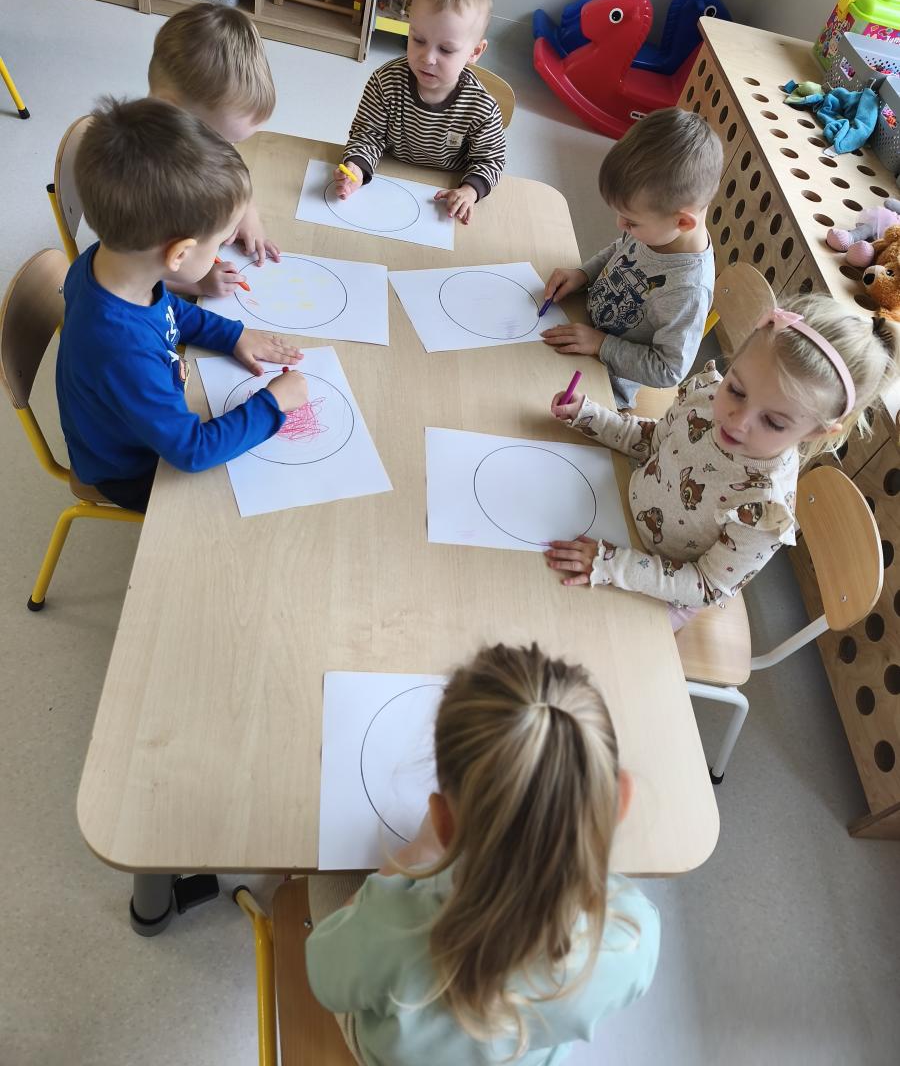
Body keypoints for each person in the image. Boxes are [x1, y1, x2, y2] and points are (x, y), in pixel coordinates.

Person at [305, 643, 660, 1065]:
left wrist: (415, 856)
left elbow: (322, 976)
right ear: (619, 801)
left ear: (442, 822)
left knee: (321, 878)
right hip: (527, 1055)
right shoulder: (631, 933)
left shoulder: (392, 922)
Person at [546, 295, 899, 627]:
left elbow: (706, 585)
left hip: (664, 587)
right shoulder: (706, 397)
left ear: (817, 432)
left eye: (773, 422)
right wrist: (588, 416)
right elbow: (653, 441)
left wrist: (614, 564)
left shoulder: (765, 508)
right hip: (621, 514)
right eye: (737, 391)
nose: (737, 421)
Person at [56, 97, 307, 514]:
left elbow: (167, 308)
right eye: (219, 242)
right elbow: (192, 451)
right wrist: (272, 405)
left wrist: (232, 335)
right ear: (179, 254)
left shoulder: (109, 264)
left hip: (138, 424)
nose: (222, 251)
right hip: (131, 471)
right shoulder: (123, 350)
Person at [540, 108, 723, 410]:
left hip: (602, 384)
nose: (620, 226)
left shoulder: (688, 291)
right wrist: (583, 274)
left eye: (631, 222)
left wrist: (601, 344)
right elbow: (620, 250)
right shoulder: (658, 231)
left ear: (683, 222)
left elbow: (668, 370)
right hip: (581, 326)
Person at [334, 0, 506, 225]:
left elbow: (490, 159)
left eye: (446, 49)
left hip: (443, 194)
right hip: (389, 181)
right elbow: (367, 135)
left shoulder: (481, 107)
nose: (428, 58)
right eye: (418, 40)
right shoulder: (385, 82)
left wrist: (470, 190)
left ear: (474, 52)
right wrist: (356, 167)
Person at [148, 2, 280, 288]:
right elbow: (134, 271)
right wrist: (197, 284)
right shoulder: (144, 182)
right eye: (223, 140)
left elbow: (230, 165)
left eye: (233, 142)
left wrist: (248, 214)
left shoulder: (196, 138)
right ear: (170, 110)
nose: (228, 150)